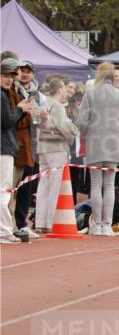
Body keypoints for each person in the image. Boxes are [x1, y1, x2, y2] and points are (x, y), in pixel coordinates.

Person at [77, 61, 119, 236]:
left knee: (96, 185)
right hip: (113, 143)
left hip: (95, 142)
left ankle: (96, 224)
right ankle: (107, 225)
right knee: (109, 185)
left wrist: (86, 134)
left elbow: (82, 121)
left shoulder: (90, 93)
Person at [34, 78, 79, 233]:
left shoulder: (43, 104)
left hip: (43, 147)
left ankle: (40, 222)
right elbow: (66, 129)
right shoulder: (58, 107)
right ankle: (51, 222)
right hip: (57, 148)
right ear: (60, 89)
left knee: (43, 184)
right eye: (65, 88)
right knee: (55, 186)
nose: (67, 91)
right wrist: (74, 130)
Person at [1, 58, 34, 243]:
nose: (10, 79)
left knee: (5, 191)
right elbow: (6, 120)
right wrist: (21, 109)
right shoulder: (2, 95)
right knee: (4, 191)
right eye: (6, 75)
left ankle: (7, 229)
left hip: (8, 147)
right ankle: (5, 230)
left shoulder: (5, 94)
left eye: (12, 76)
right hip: (4, 148)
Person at [12, 61, 44, 237]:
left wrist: (44, 117)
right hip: (15, 145)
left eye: (28, 71)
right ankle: (10, 224)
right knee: (11, 187)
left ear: (33, 74)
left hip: (32, 146)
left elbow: (42, 120)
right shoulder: (13, 91)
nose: (25, 74)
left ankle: (21, 223)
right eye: (22, 71)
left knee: (27, 188)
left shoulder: (38, 95)